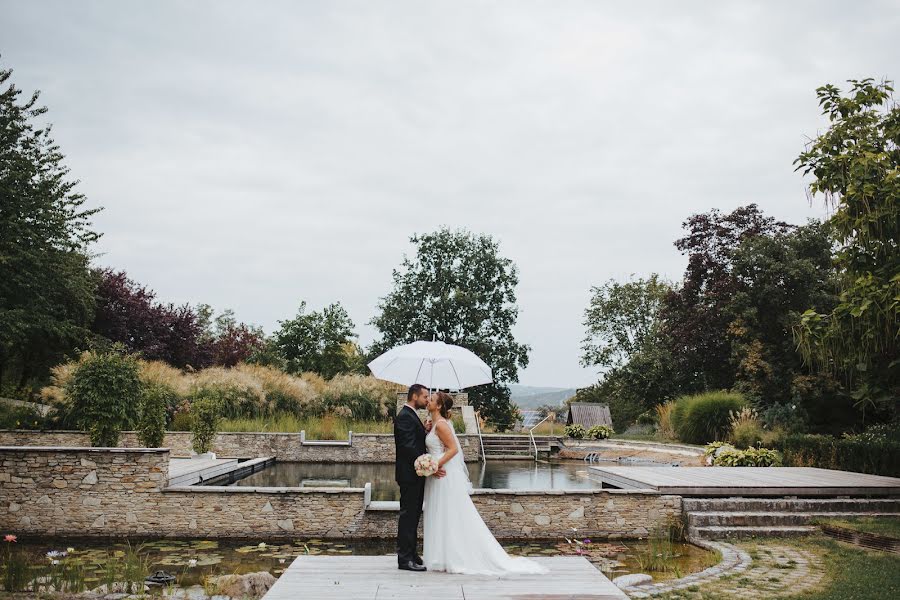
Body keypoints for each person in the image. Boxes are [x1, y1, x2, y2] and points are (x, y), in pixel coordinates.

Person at [422, 391, 548, 575]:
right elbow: (438, 445)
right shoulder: (434, 425)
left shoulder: (441, 425)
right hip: (436, 475)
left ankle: (451, 556)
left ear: (439, 406)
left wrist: (434, 465)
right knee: (440, 513)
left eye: (431, 400)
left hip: (442, 475)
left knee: (447, 514)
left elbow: (454, 449)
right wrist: (428, 431)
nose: (427, 401)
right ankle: (440, 556)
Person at [393, 383, 445, 571]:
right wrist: (430, 465)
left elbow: (414, 440)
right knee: (408, 516)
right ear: (415, 396)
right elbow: (409, 447)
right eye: (424, 397)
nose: (426, 400)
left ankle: (412, 554)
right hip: (409, 475)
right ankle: (404, 559)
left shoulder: (411, 416)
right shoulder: (405, 416)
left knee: (414, 515)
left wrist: (423, 429)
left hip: (415, 474)